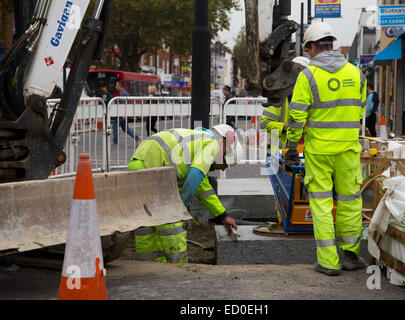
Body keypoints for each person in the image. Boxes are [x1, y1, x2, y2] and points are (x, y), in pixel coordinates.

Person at [285, 21, 367, 276]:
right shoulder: (356, 73)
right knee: (350, 202)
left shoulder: (307, 76)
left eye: (308, 49)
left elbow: (297, 118)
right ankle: (351, 256)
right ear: (332, 44)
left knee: (321, 205)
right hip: (348, 151)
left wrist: (290, 147)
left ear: (311, 47)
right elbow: (360, 110)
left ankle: (329, 262)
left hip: (319, 152)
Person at [128, 124, 241, 263]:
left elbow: (203, 188)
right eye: (224, 164)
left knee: (146, 223)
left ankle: (149, 267)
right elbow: (195, 174)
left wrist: (223, 216)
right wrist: (181, 205)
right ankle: (179, 269)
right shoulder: (212, 144)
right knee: (171, 222)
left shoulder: (197, 141)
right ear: (224, 146)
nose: (222, 169)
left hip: (139, 163)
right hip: (156, 167)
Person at [260, 56, 310, 155]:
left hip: (306, 151)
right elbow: (264, 123)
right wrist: (284, 127)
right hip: (281, 152)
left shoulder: (311, 95)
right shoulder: (280, 97)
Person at [111, 81, 141, 145]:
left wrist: (124, 114)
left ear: (120, 86)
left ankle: (115, 142)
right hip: (123, 114)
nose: (115, 87)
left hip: (122, 114)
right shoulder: (123, 93)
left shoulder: (123, 93)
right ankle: (137, 137)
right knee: (126, 129)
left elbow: (124, 104)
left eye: (116, 85)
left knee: (115, 126)